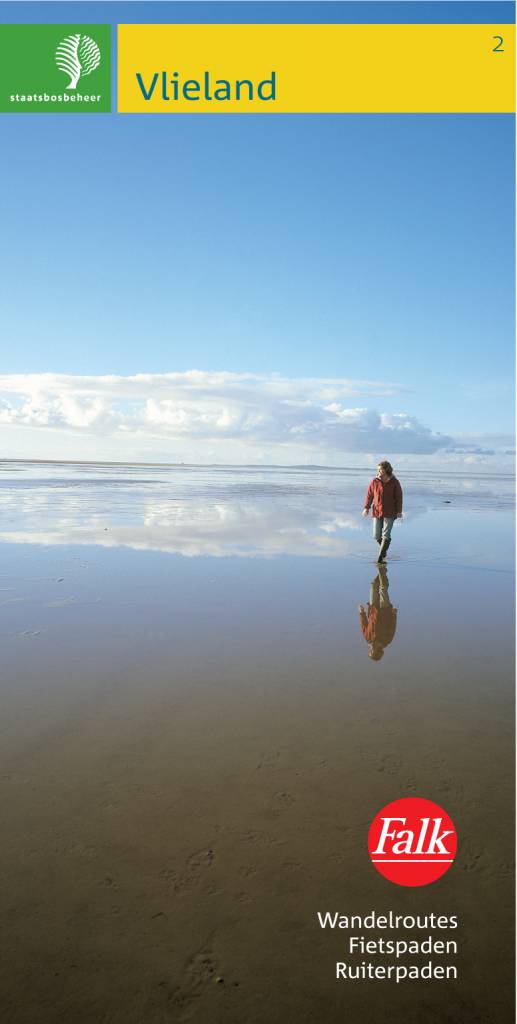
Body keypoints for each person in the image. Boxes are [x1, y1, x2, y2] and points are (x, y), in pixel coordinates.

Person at [362, 460, 403, 562]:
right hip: (377, 511)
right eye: (378, 470)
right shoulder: (374, 481)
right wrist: (366, 507)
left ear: (386, 470)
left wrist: (399, 511)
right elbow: (369, 495)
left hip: (390, 511)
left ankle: (380, 557)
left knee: (386, 534)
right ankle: (384, 550)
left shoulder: (395, 482)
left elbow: (399, 497)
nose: (378, 471)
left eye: (380, 469)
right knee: (376, 535)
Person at [358, 565, 397, 660]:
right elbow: (392, 626)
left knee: (373, 585)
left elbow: (364, 625)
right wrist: (394, 614)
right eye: (372, 651)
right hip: (385, 610)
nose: (370, 648)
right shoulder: (386, 640)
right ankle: (381, 570)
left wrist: (361, 613)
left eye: (369, 651)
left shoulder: (368, 638)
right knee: (383, 589)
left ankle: (382, 571)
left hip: (373, 610)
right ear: (378, 651)